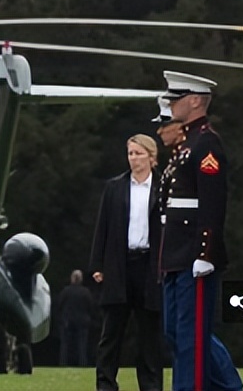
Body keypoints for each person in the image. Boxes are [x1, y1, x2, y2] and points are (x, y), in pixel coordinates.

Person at [157, 71, 243, 391]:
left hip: (194, 253)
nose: (172, 104)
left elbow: (212, 201)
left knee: (190, 337)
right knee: (175, 332)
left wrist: (205, 251)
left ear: (195, 101)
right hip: (176, 254)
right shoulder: (187, 143)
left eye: (177, 98)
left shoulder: (206, 142)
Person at [89, 133, 163, 391]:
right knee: (111, 333)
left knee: (149, 334)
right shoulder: (115, 187)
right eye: (130, 153)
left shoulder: (163, 187)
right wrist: (97, 264)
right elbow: (103, 226)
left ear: (151, 157)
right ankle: (106, 384)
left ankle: (151, 385)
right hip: (120, 264)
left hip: (150, 266)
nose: (133, 159)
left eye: (139, 153)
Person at [54, 269, 94, 367]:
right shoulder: (86, 292)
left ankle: (63, 364)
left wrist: (60, 318)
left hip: (67, 321)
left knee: (65, 345)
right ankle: (82, 364)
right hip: (82, 321)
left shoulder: (66, 291)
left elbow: (59, 305)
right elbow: (91, 307)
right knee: (82, 345)